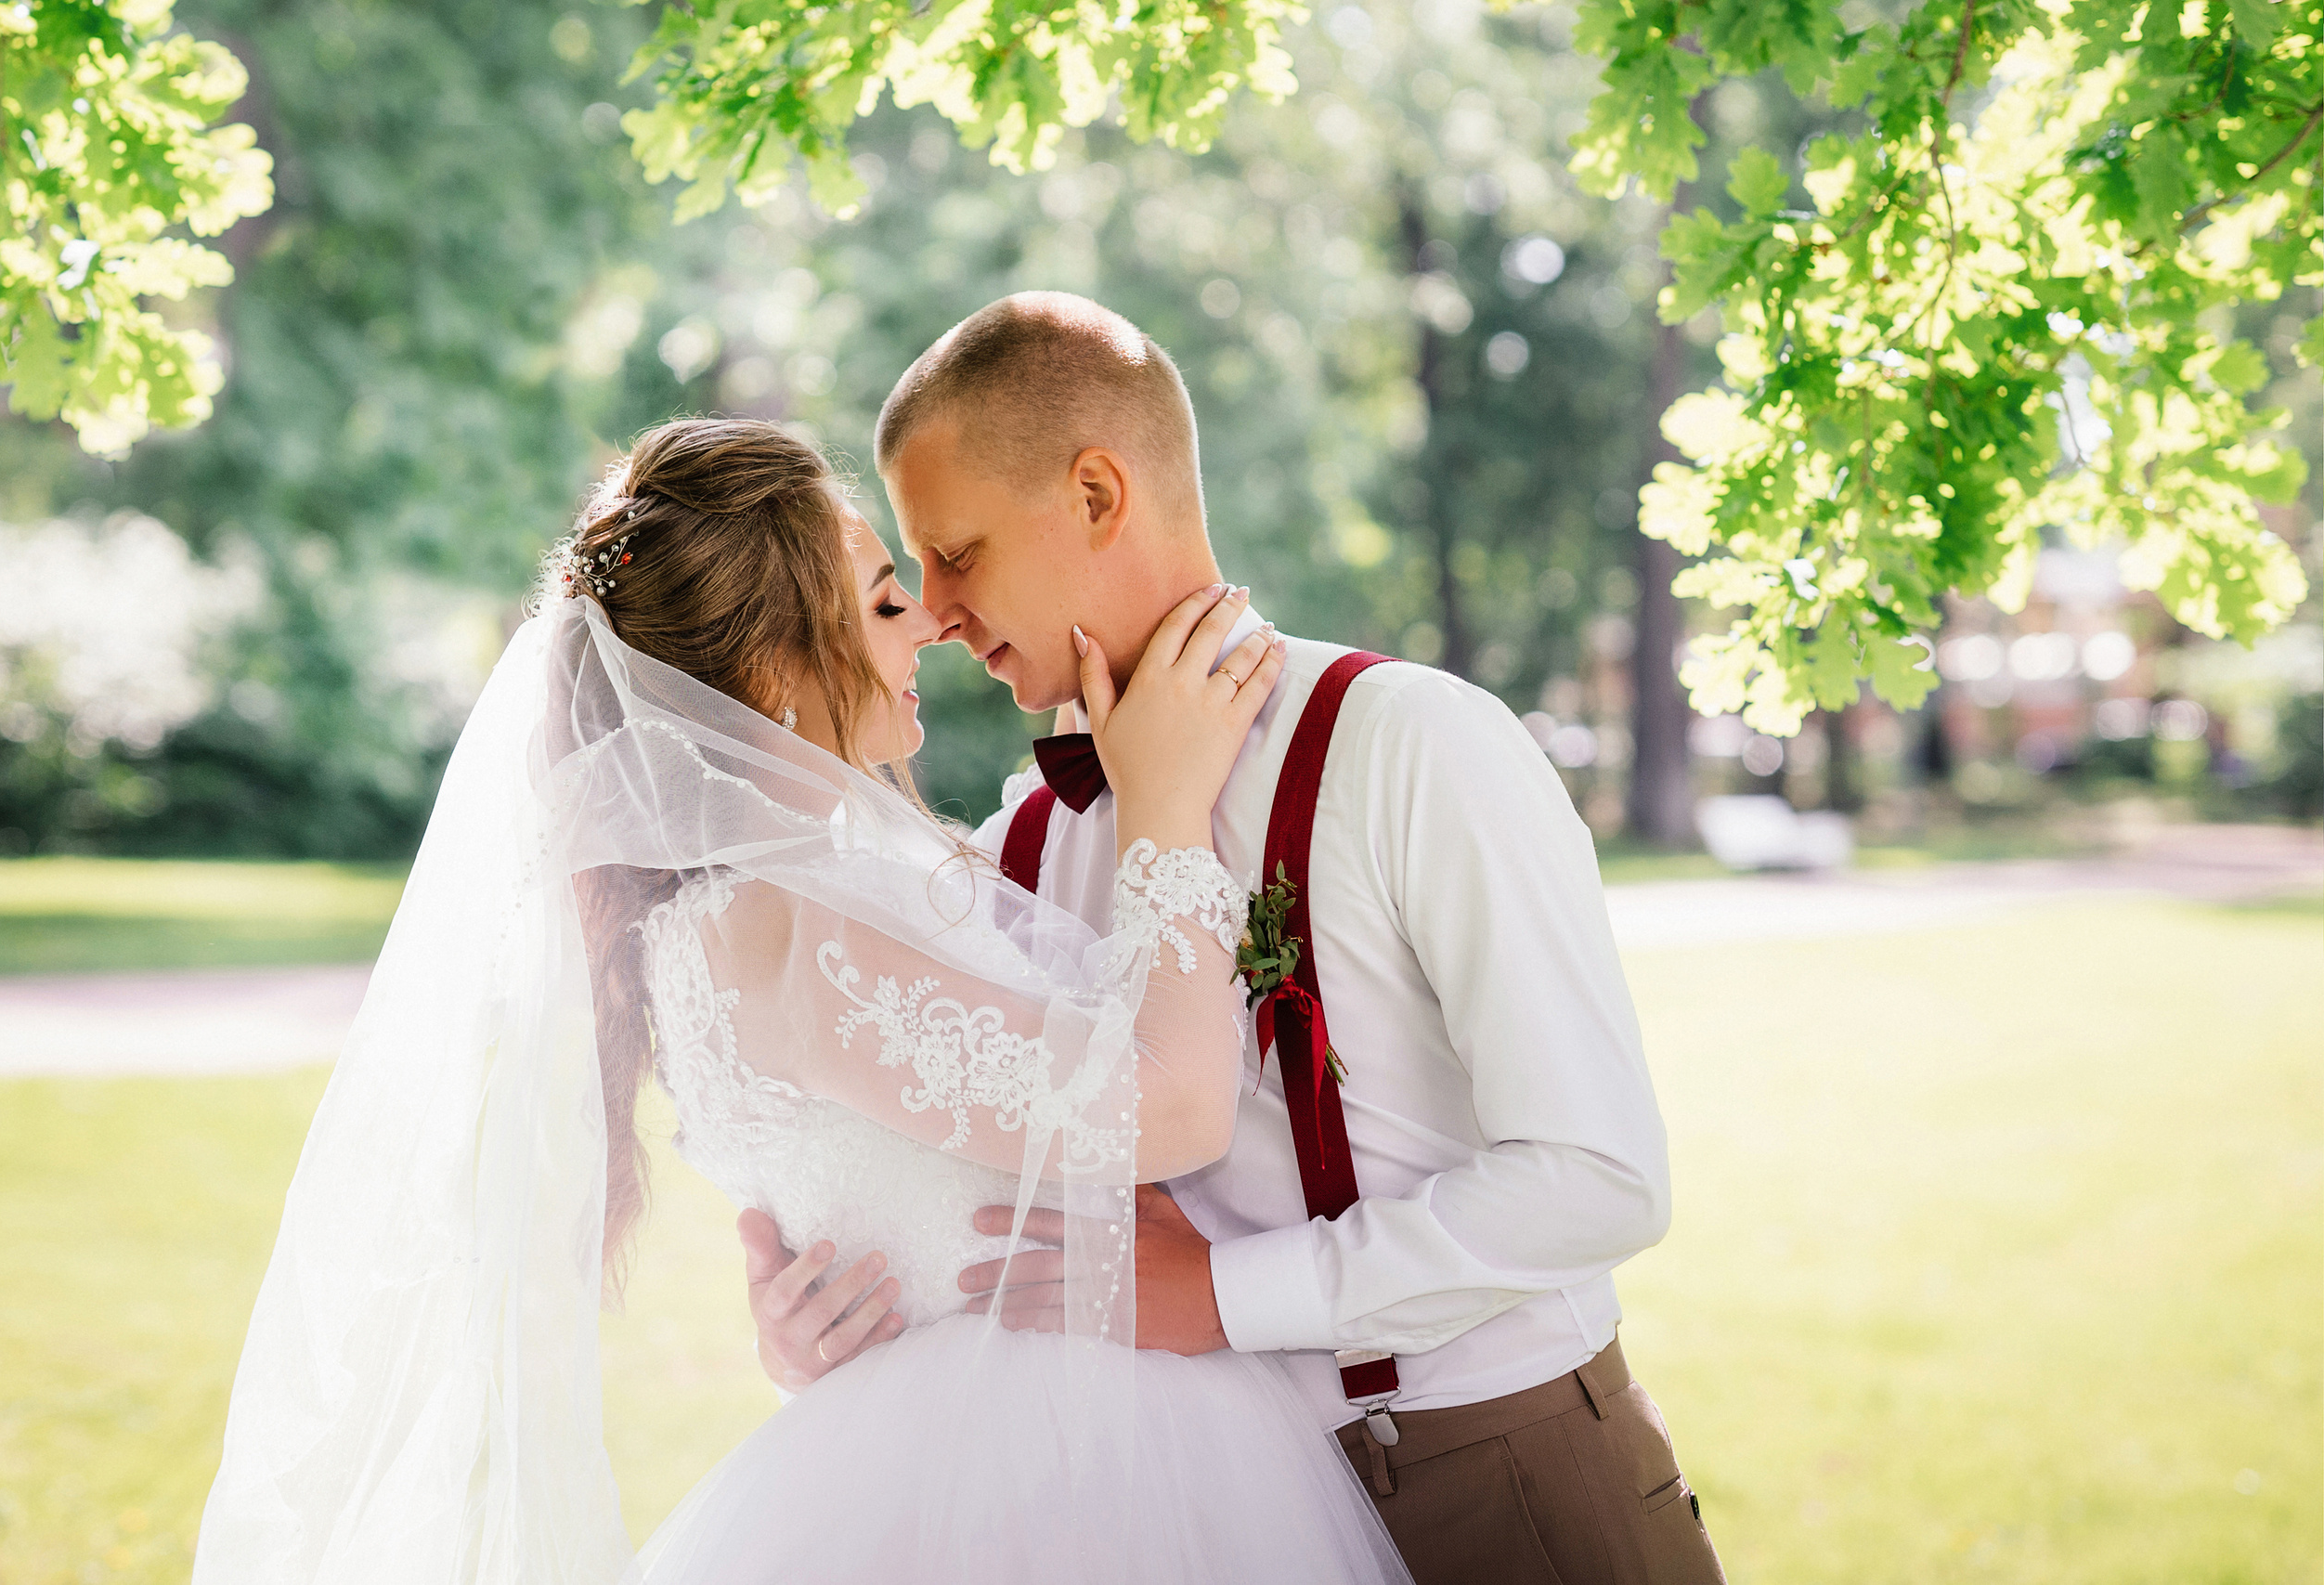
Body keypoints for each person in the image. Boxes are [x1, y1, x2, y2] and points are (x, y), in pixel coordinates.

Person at [191, 418, 1411, 1584]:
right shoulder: (792, 925)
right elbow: (1174, 1113)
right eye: (882, 603)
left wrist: (801, 1330)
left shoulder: (780, 900)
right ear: (775, 672)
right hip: (1043, 1462)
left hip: (978, 1425)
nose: (929, 622)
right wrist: (1169, 805)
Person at [740, 294, 1728, 1585]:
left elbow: (1599, 1178)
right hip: (1195, 1519)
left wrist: (1221, 1298)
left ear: (1097, 493)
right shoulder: (1021, 845)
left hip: (1496, 1474)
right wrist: (814, 1319)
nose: (935, 611)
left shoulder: (1413, 745)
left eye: (959, 553)